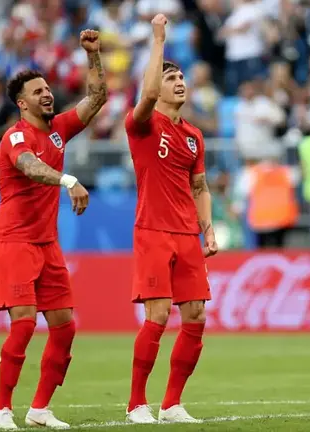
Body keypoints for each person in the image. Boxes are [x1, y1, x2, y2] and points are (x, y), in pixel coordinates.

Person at [0, 30, 107, 430]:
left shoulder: (58, 129)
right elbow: (29, 167)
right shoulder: (16, 136)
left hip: (47, 244)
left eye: (47, 89)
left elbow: (96, 99)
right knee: (24, 323)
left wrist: (93, 55)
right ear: (22, 103)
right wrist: (68, 179)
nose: (47, 94)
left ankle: (39, 408)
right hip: (15, 241)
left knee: (64, 326)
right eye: (37, 91)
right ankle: (2, 410)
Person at [123, 14, 218, 424]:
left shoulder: (194, 136)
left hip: (186, 235)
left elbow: (200, 187)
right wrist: (158, 38)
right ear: (156, 87)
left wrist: (207, 229)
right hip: (153, 231)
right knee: (158, 316)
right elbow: (145, 92)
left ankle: (172, 403)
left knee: (195, 317)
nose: (180, 81)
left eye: (181, 76)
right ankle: (136, 404)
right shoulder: (142, 124)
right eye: (170, 77)